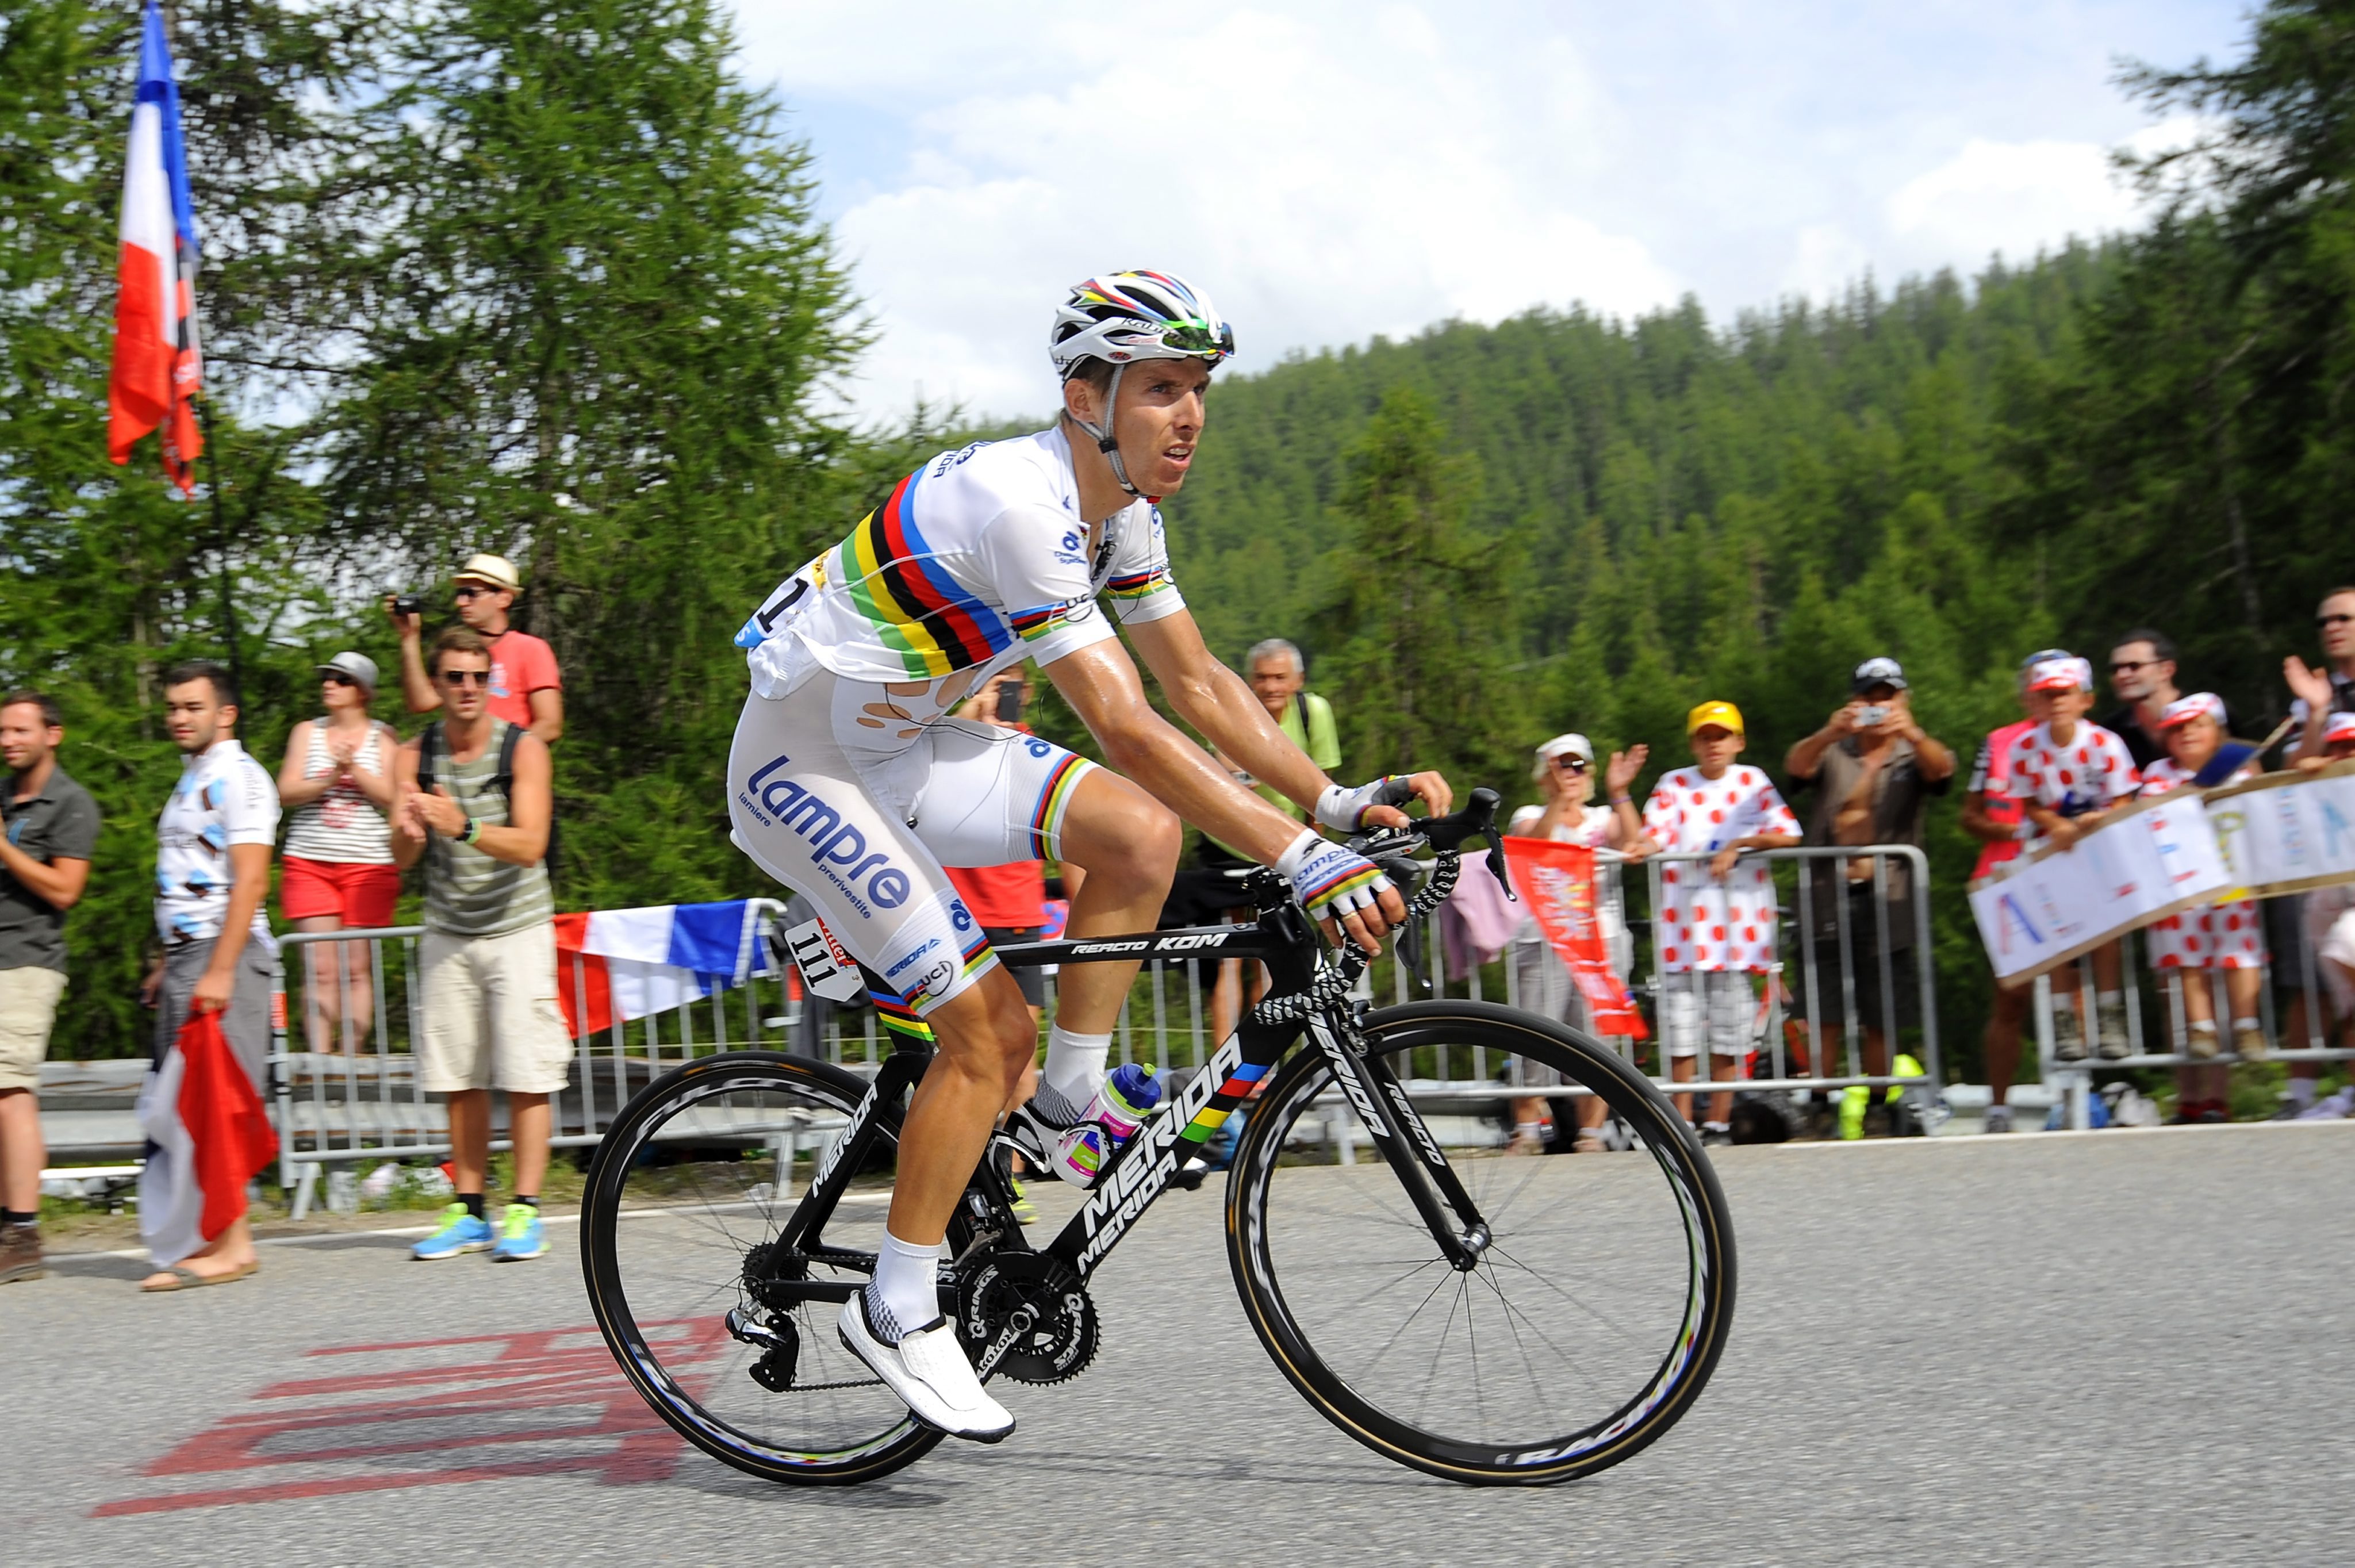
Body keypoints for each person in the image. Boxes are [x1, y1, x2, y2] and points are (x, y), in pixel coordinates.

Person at [726, 270, 1447, 1442]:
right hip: (806, 768)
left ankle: (1064, 1101)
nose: (1190, 415)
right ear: (1085, 394)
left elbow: (1199, 683)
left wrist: (1328, 797)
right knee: (985, 1029)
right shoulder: (1023, 504)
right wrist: (1302, 858)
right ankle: (896, 1304)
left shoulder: (1120, 516)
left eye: (1199, 389)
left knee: (1139, 834)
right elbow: (1122, 720)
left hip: (906, 743)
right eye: (1161, 387)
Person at [390, 627, 567, 1267]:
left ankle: (524, 1208)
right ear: (436, 684)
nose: (466, 688)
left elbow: (529, 845)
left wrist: (460, 825)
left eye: (476, 677)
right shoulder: (415, 754)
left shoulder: (521, 748)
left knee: (526, 1073)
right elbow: (401, 854)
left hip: (517, 927)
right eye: (453, 677)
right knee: (458, 1076)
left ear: (490, 681)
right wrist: (410, 828)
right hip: (448, 928)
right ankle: (468, 1209)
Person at [140, 663, 278, 1291]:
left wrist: (221, 969)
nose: (179, 717)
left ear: (226, 714)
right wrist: (166, 963)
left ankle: (232, 1245)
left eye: (192, 706)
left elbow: (249, 879)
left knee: (219, 1100)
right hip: (188, 954)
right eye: (173, 707)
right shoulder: (192, 777)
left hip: (227, 954)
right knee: (193, 1103)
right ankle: (217, 1238)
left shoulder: (240, 778)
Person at [1782, 657, 1955, 1092]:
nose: (1878, 706)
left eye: (1887, 697)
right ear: (1853, 702)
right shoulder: (1835, 752)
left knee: (1884, 1009)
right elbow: (1796, 768)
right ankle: (1820, 1099)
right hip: (1827, 893)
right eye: (1869, 697)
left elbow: (1944, 771)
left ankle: (1880, 1099)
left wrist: (1911, 731)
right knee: (1825, 1009)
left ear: (1903, 699)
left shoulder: (1912, 755)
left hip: (1887, 897)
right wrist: (1830, 732)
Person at [1637, 701, 1800, 1140]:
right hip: (1682, 930)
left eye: (1722, 735)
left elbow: (1789, 833)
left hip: (1737, 934)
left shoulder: (1753, 781)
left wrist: (1741, 842)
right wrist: (1630, 824)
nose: (1714, 744)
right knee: (1681, 1032)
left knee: (1730, 1032)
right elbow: (1654, 835)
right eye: (1705, 736)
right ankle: (1682, 1123)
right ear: (1693, 743)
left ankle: (1718, 1122)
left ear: (1738, 742)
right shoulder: (1673, 783)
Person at [1503, 734, 1648, 1153]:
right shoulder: (1529, 813)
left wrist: (1621, 793)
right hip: (1543, 940)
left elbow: (1631, 843)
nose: (1571, 773)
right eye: (1561, 766)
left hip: (1598, 943)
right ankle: (1528, 1129)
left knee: (1598, 1040)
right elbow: (1533, 845)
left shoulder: (1603, 816)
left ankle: (1591, 1133)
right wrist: (1558, 804)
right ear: (1544, 774)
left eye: (1579, 765)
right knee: (1533, 1036)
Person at [1998, 655, 2142, 1063]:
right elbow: (2027, 801)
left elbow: (2122, 795)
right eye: (2047, 695)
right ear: (2034, 703)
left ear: (2085, 699)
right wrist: (2054, 824)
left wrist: (2101, 818)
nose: (2057, 702)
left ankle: (2111, 1017)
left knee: (2106, 937)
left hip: (2100, 850)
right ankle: (2065, 1023)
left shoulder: (2104, 743)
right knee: (2059, 937)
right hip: (2051, 851)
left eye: (2064, 693)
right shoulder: (2026, 747)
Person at [0, 692, 98, 1285]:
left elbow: (65, 890)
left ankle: (23, 1232)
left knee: (10, 1088)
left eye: (19, 729)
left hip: (27, 962)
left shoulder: (71, 803)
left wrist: (5, 849)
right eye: (2, 731)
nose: (8, 739)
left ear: (52, 735)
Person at [1202, 638, 1345, 1043]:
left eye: (1280, 678)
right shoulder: (1234, 711)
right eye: (1262, 678)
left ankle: (1262, 1062)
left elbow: (1322, 788)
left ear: (1298, 680)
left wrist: (1316, 854)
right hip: (1230, 843)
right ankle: (1223, 1064)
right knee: (1230, 960)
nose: (1271, 687)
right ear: (1250, 681)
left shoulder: (1313, 712)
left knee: (1271, 961)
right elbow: (1223, 770)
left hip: (1287, 847)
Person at [2138, 694, 2265, 1122]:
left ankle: (2245, 1032)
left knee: (2240, 953)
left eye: (2198, 725)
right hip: (2183, 885)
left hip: (2231, 881)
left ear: (2219, 730)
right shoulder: (2159, 774)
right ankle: (2202, 1034)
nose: (2187, 733)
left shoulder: (2242, 765)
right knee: (2187, 964)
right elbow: (2150, 807)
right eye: (2177, 728)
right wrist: (2196, 788)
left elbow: (2260, 804)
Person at [1958, 651, 2067, 1133]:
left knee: (2073, 988)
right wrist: (2013, 831)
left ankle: (2085, 1092)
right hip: (2009, 877)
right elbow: (1969, 815)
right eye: (2035, 686)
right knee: (2011, 996)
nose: (2043, 695)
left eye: (2055, 687)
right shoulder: (1999, 742)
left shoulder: (2088, 741)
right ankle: (1999, 1107)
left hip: (2070, 873)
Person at [275, 652, 401, 1055]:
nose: (329, 684)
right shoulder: (306, 732)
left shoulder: (384, 736)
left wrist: (355, 770)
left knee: (355, 968)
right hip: (309, 859)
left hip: (368, 863)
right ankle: (319, 1059)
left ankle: (353, 1056)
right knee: (320, 968)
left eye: (341, 679)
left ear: (363, 691)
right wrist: (331, 775)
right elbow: (286, 790)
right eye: (327, 677)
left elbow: (394, 797)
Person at [387, 553, 563, 746]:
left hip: (509, 772)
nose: (461, 602)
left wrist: (499, 758)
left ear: (504, 598)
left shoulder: (531, 649)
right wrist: (409, 637)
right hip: (459, 768)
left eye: (471, 593)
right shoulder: (457, 652)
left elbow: (549, 725)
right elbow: (421, 702)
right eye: (460, 594)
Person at [2101, 628, 2207, 770]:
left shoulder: (2208, 713)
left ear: (2167, 670)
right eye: (2115, 669)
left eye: (2134, 666)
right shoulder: (2111, 732)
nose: (2122, 675)